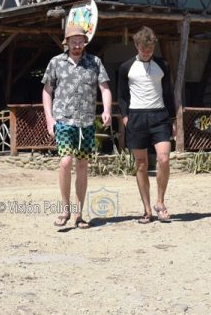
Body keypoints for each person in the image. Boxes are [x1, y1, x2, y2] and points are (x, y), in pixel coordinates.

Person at [42, 23, 112, 229]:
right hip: (63, 121)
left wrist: (107, 110)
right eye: (74, 42)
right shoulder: (56, 62)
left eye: (80, 42)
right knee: (65, 162)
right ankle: (65, 209)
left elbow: (105, 88)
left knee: (82, 165)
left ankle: (79, 215)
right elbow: (47, 91)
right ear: (67, 42)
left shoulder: (94, 62)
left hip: (86, 123)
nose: (77, 46)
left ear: (85, 43)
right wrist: (49, 119)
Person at [117, 26, 176, 223]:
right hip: (137, 117)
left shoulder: (163, 65)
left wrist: (173, 119)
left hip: (160, 116)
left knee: (164, 158)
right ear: (137, 46)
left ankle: (160, 202)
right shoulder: (126, 67)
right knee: (141, 164)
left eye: (150, 50)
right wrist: (125, 116)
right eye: (143, 49)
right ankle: (147, 209)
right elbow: (121, 95)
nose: (147, 53)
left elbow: (168, 93)